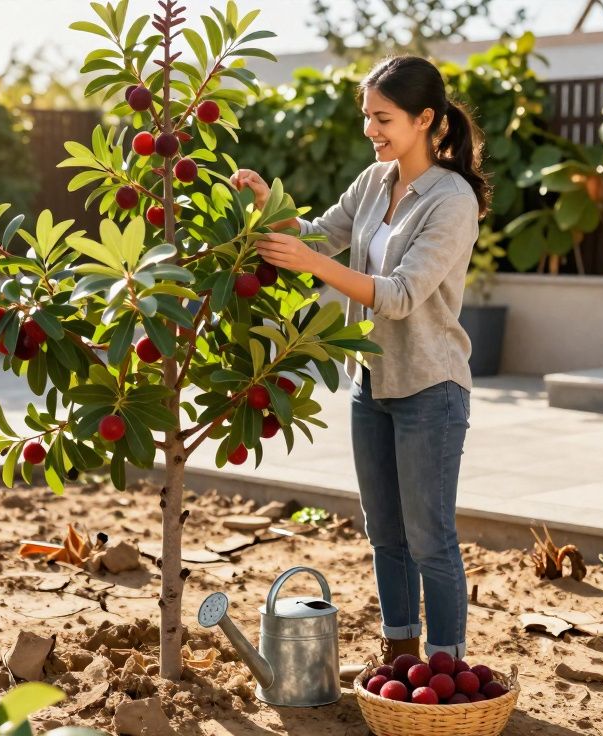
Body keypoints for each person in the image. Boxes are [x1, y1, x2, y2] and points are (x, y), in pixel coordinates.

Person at [231, 55, 489, 662]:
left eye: (384, 118)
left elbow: (399, 295)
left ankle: (447, 667)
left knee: (430, 539)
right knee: (385, 533)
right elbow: (322, 234)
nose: (371, 130)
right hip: (369, 381)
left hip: (430, 385)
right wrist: (272, 206)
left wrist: (313, 264)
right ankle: (400, 653)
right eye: (367, 117)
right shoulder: (375, 181)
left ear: (426, 119)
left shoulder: (451, 201)